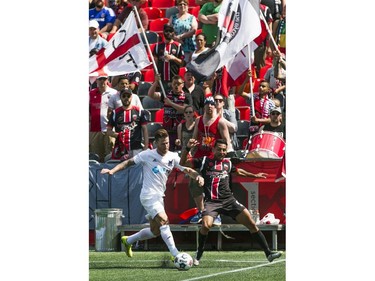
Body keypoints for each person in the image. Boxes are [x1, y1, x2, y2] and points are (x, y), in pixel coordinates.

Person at [100, 129, 204, 259]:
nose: (165, 146)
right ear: (155, 143)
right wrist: (113, 170)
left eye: (167, 143)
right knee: (164, 220)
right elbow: (128, 162)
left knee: (155, 231)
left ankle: (128, 240)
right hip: (148, 195)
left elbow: (187, 169)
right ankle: (176, 255)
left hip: (159, 197)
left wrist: (197, 176)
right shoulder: (147, 155)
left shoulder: (172, 156)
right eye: (162, 144)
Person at [180, 138, 282, 266]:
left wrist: (255, 175)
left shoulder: (227, 163)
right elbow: (183, 163)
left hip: (229, 201)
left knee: (251, 223)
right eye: (219, 149)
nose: (222, 152)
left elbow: (239, 171)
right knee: (206, 226)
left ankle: (269, 253)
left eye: (224, 150)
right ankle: (199, 253)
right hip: (212, 202)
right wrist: (187, 148)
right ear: (213, 149)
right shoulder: (205, 161)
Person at [187, 96, 231, 225]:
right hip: (200, 157)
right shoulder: (198, 120)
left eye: (212, 104)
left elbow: (227, 141)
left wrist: (223, 158)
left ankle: (215, 214)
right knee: (193, 182)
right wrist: (190, 151)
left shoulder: (220, 121)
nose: (210, 106)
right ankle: (201, 211)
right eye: (208, 104)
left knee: (214, 187)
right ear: (204, 106)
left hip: (214, 158)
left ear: (215, 106)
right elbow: (195, 139)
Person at [148, 74, 192, 151]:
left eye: (178, 84)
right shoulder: (166, 94)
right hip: (167, 130)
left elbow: (185, 110)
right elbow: (151, 95)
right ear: (171, 84)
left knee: (181, 152)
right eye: (174, 83)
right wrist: (156, 82)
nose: (176, 86)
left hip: (180, 131)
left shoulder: (186, 96)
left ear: (182, 85)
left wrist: (171, 103)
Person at [106, 88, 149, 160]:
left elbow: (145, 129)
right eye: (124, 96)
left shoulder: (139, 111)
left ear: (131, 97)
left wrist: (146, 146)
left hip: (136, 148)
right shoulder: (115, 113)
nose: (126, 98)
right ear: (120, 97)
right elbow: (108, 131)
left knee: (136, 169)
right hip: (121, 148)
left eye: (128, 96)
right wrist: (117, 135)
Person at [89, 75, 118, 162]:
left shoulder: (114, 93)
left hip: (110, 130)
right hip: (95, 129)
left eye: (104, 79)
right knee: (96, 156)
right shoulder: (91, 93)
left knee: (110, 156)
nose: (102, 81)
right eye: (100, 79)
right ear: (96, 81)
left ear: (107, 80)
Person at [238, 70, 275, 135]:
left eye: (263, 86)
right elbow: (240, 93)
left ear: (268, 90)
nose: (260, 87)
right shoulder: (253, 97)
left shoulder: (271, 103)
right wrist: (246, 80)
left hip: (265, 129)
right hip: (253, 128)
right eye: (259, 86)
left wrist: (258, 120)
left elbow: (270, 119)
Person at [152, 24, 186, 92]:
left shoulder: (178, 46)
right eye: (167, 31)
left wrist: (174, 58)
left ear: (173, 32)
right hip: (161, 80)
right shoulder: (158, 46)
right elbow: (155, 64)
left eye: (171, 31)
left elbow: (182, 63)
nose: (169, 33)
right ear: (163, 32)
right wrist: (155, 77)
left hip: (174, 81)